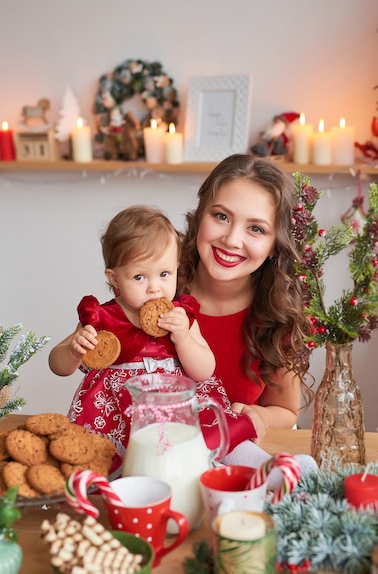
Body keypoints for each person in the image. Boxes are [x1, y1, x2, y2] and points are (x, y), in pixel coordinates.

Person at [48, 205, 219, 450]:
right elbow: (57, 365)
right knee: (104, 457)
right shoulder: (101, 318)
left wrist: (183, 339)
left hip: (173, 410)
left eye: (164, 273)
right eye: (139, 277)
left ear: (176, 267)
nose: (154, 288)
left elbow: (205, 371)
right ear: (114, 278)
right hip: (116, 413)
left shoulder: (180, 317)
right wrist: (74, 350)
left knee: (203, 446)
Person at [177, 153, 312, 457]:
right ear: (200, 215)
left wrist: (260, 416)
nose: (232, 239)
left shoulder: (276, 313)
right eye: (221, 216)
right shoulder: (159, 289)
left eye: (256, 229)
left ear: (274, 244)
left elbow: (285, 410)